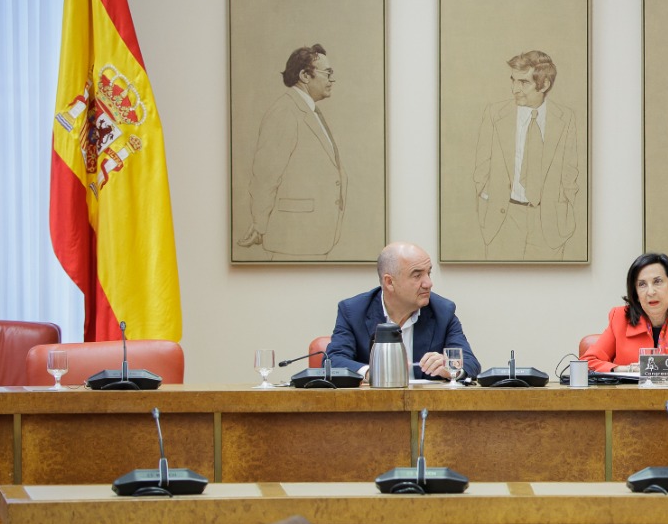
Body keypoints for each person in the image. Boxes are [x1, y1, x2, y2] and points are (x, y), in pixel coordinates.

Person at [471, 49, 581, 261]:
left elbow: (571, 170)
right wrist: (486, 198)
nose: (514, 89)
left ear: (545, 85)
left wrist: (565, 202)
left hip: (550, 223)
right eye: (513, 80)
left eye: (523, 82)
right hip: (503, 220)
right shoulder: (495, 114)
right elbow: (481, 168)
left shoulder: (565, 118)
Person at [238, 44, 347, 258]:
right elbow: (265, 176)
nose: (331, 79)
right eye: (327, 73)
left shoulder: (309, 110)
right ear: (305, 75)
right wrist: (260, 224)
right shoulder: (285, 112)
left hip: (312, 238)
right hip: (293, 240)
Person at [325, 242, 478, 381]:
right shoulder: (353, 311)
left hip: (427, 407)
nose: (428, 283)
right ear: (389, 282)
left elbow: (471, 364)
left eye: (428, 273)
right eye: (417, 275)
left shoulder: (443, 312)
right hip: (373, 406)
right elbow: (334, 361)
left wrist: (450, 369)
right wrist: (370, 373)